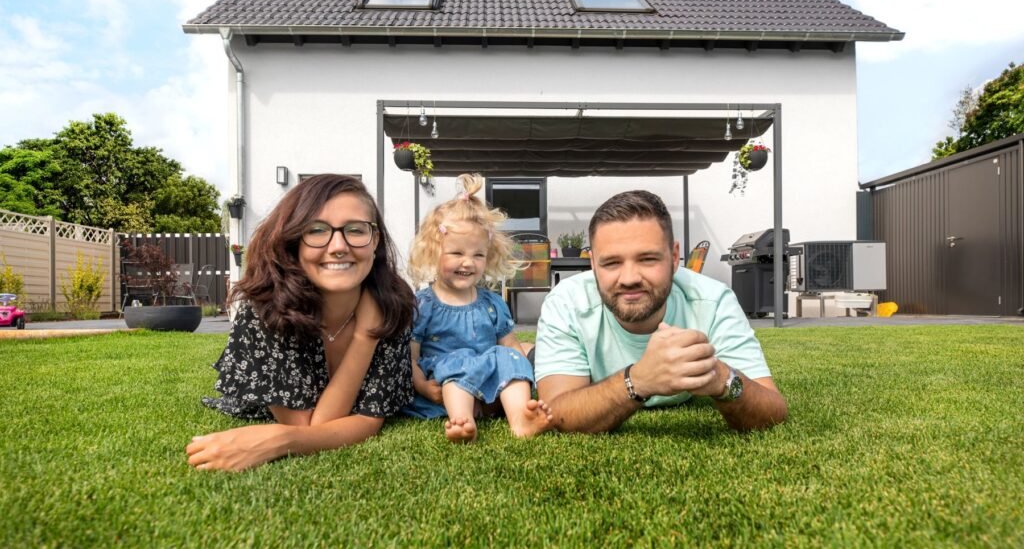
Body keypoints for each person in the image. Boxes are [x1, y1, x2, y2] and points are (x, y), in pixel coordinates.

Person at [187, 175, 415, 471]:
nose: (338, 246)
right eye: (317, 230)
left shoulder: (393, 305)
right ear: (293, 241)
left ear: (376, 241)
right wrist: (290, 434)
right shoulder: (264, 312)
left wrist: (366, 336)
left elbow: (368, 419)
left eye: (356, 230)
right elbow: (309, 426)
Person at [534, 190, 788, 434]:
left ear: (674, 256)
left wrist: (721, 377)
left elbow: (773, 409)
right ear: (593, 265)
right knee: (526, 361)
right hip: (566, 359)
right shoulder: (567, 302)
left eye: (647, 259)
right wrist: (638, 380)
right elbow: (557, 413)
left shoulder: (712, 300)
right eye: (611, 263)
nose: (630, 278)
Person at [402, 173, 552, 443]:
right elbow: (410, 358)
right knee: (457, 365)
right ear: (434, 252)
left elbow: (511, 345)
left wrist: (523, 374)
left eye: (478, 255)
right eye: (457, 253)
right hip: (446, 390)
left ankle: (519, 417)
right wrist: (423, 387)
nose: (468, 263)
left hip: (490, 386)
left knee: (510, 357)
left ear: (488, 256)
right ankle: (463, 421)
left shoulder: (492, 303)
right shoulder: (424, 304)